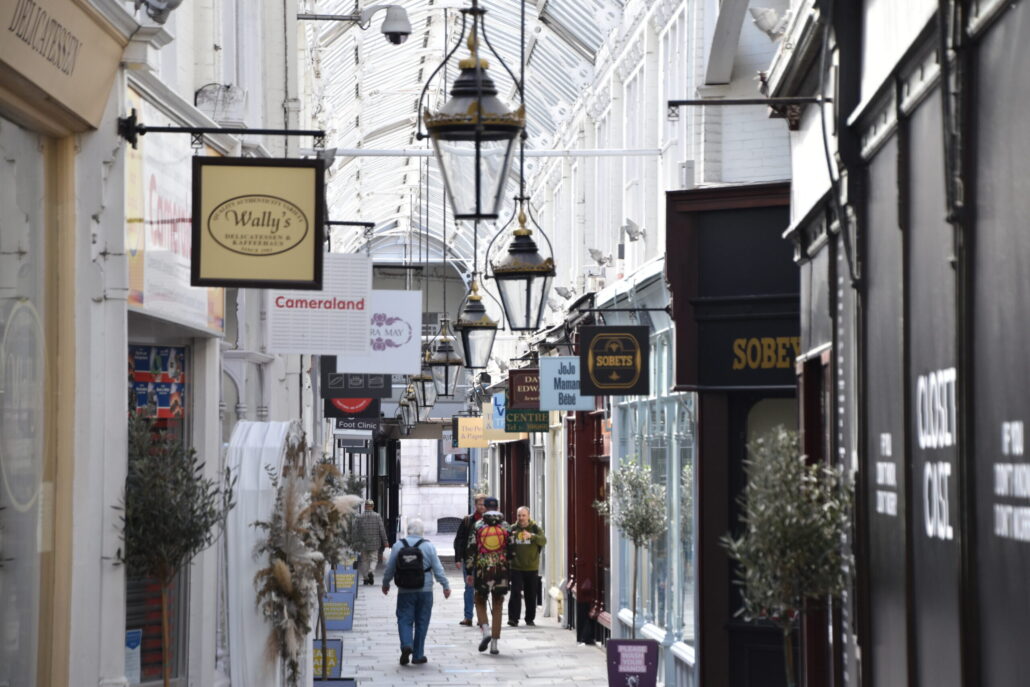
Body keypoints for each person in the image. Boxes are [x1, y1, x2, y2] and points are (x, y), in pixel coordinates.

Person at [382, 518, 451, 666]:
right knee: (422, 621)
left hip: (405, 589)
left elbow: (390, 567)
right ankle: (418, 655)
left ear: (408, 530)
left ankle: (407, 644)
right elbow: (438, 569)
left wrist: (385, 583)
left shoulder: (398, 545)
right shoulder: (429, 546)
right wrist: (445, 585)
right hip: (425, 589)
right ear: (422, 531)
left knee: (404, 618)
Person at [464, 496, 513, 655]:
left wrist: (469, 571)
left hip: (482, 570)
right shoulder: (506, 526)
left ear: (484, 507)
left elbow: (471, 549)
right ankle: (494, 644)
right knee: (498, 604)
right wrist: (509, 568)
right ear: (497, 508)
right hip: (501, 570)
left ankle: (485, 629)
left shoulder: (478, 525)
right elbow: (512, 551)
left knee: (479, 600)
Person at [507, 506, 547, 627]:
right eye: (519, 515)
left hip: (531, 567)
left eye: (524, 515)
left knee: (531, 594)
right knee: (515, 593)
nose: (521, 518)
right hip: (516, 567)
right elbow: (505, 543)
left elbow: (543, 541)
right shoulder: (512, 528)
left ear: (528, 516)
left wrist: (532, 536)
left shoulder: (535, 528)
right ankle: (513, 619)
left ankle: (529, 618)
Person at [453, 493, 487, 626]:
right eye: (479, 504)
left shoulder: (490, 521)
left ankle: (481, 617)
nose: (482, 507)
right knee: (469, 587)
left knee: (482, 589)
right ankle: (468, 617)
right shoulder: (467, 520)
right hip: (469, 560)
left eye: (484, 504)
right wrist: (458, 558)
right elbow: (459, 540)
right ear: (475, 505)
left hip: (484, 560)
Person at [354, 499, 389, 586]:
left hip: (363, 543)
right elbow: (382, 530)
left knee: (364, 560)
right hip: (375, 543)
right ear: (372, 506)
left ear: (365, 506)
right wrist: (385, 542)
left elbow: (356, 531)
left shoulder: (360, 517)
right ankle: (371, 571)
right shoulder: (377, 516)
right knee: (374, 559)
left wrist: (355, 542)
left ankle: (366, 579)